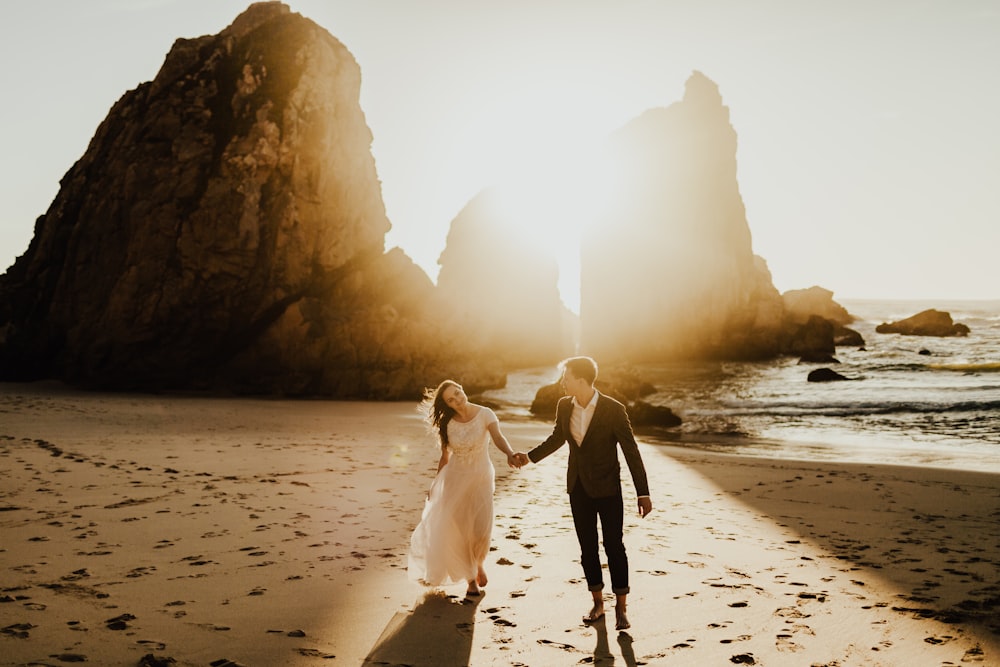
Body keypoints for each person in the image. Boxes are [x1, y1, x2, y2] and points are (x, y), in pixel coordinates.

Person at [514, 356, 652, 631]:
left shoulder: (614, 409)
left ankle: (621, 608)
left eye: (566, 378)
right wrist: (529, 457)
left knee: (614, 546)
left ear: (580, 379)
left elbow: (630, 451)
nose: (562, 383)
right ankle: (598, 602)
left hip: (608, 489)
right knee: (587, 547)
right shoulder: (564, 406)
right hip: (578, 488)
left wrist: (643, 493)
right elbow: (557, 438)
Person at [408, 379, 521, 596]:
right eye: (451, 399)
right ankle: (471, 580)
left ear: (462, 389)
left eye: (458, 393)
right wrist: (435, 484)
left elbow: (498, 437)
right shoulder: (447, 423)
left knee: (480, 528)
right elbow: (445, 457)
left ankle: (478, 564)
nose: (457, 400)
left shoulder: (485, 413)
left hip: (481, 478)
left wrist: (509, 453)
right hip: (455, 480)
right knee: (461, 531)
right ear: (447, 405)